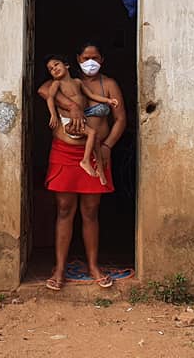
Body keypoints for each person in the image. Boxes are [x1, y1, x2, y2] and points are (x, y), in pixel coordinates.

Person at [36, 42, 127, 292]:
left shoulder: (107, 85)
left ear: (102, 59)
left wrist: (107, 146)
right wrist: (72, 106)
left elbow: (120, 119)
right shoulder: (68, 82)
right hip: (64, 152)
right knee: (64, 208)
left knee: (91, 210)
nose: (90, 61)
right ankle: (59, 268)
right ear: (75, 59)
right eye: (86, 57)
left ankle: (94, 266)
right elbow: (43, 90)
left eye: (95, 57)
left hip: (96, 152)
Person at [43, 57, 119, 184]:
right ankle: (85, 161)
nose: (54, 68)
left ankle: (101, 172)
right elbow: (50, 97)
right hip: (69, 123)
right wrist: (53, 115)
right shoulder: (57, 84)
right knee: (93, 133)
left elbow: (91, 95)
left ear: (66, 65)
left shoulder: (77, 82)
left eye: (56, 64)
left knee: (96, 142)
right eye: (51, 69)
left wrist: (108, 101)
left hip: (81, 122)